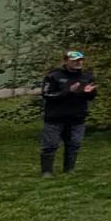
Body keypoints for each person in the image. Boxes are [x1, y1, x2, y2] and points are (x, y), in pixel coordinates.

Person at [39, 49, 97, 177]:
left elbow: (91, 96)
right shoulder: (54, 76)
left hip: (77, 117)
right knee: (51, 145)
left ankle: (69, 169)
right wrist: (68, 91)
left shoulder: (87, 76)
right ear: (65, 61)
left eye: (80, 60)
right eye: (75, 61)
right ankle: (47, 171)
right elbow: (47, 95)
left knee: (74, 144)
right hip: (55, 117)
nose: (78, 63)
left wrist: (89, 92)